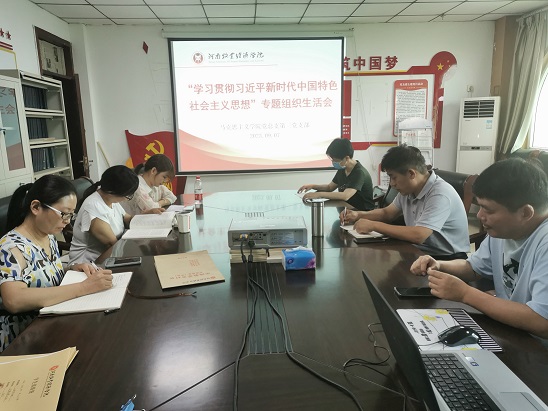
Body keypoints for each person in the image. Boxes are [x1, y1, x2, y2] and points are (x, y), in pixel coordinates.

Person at [410, 158, 548, 340]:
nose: (480, 216)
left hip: (536, 347)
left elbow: (541, 322)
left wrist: (466, 293)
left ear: (525, 213)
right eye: (479, 206)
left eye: (488, 210)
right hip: (511, 330)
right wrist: (440, 265)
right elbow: (473, 268)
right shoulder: (504, 231)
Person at [0, 175, 112, 352]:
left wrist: (70, 269)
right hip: (23, 338)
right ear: (36, 207)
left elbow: (41, 275)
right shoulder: (11, 247)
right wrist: (83, 288)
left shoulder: (48, 236)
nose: (67, 221)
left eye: (71, 214)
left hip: (52, 322)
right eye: (64, 213)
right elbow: (14, 300)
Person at [341, 144, 470, 259]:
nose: (392, 184)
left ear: (411, 174)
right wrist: (358, 215)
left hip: (446, 258)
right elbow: (387, 213)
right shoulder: (408, 190)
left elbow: (419, 235)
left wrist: (374, 225)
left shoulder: (439, 194)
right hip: (418, 251)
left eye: (393, 177)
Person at [69, 165, 139, 265]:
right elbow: (113, 245)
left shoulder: (110, 198)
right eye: (127, 195)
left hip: (109, 256)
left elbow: (127, 218)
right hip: (88, 264)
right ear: (112, 192)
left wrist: (147, 218)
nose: (127, 198)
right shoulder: (93, 208)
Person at [297, 138, 374, 211]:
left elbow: (345, 196)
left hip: (361, 212)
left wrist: (319, 194)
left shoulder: (359, 172)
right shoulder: (343, 168)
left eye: (335, 160)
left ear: (346, 158)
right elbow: (330, 187)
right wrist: (313, 186)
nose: (333, 162)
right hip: (346, 208)